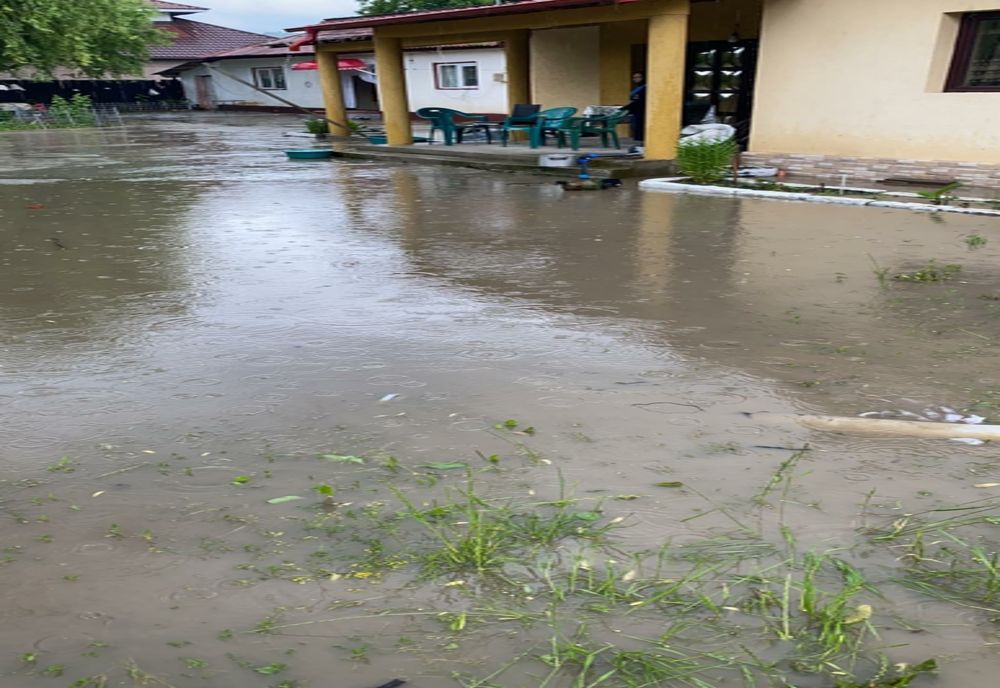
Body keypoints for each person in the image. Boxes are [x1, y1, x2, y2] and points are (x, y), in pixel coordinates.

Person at [624, 72, 646, 143]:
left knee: (641, 126)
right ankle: (640, 143)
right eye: (634, 77)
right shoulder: (636, 88)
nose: (636, 79)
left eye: (638, 77)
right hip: (635, 110)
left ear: (643, 78)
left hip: (641, 110)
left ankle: (643, 143)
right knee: (635, 126)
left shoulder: (645, 87)